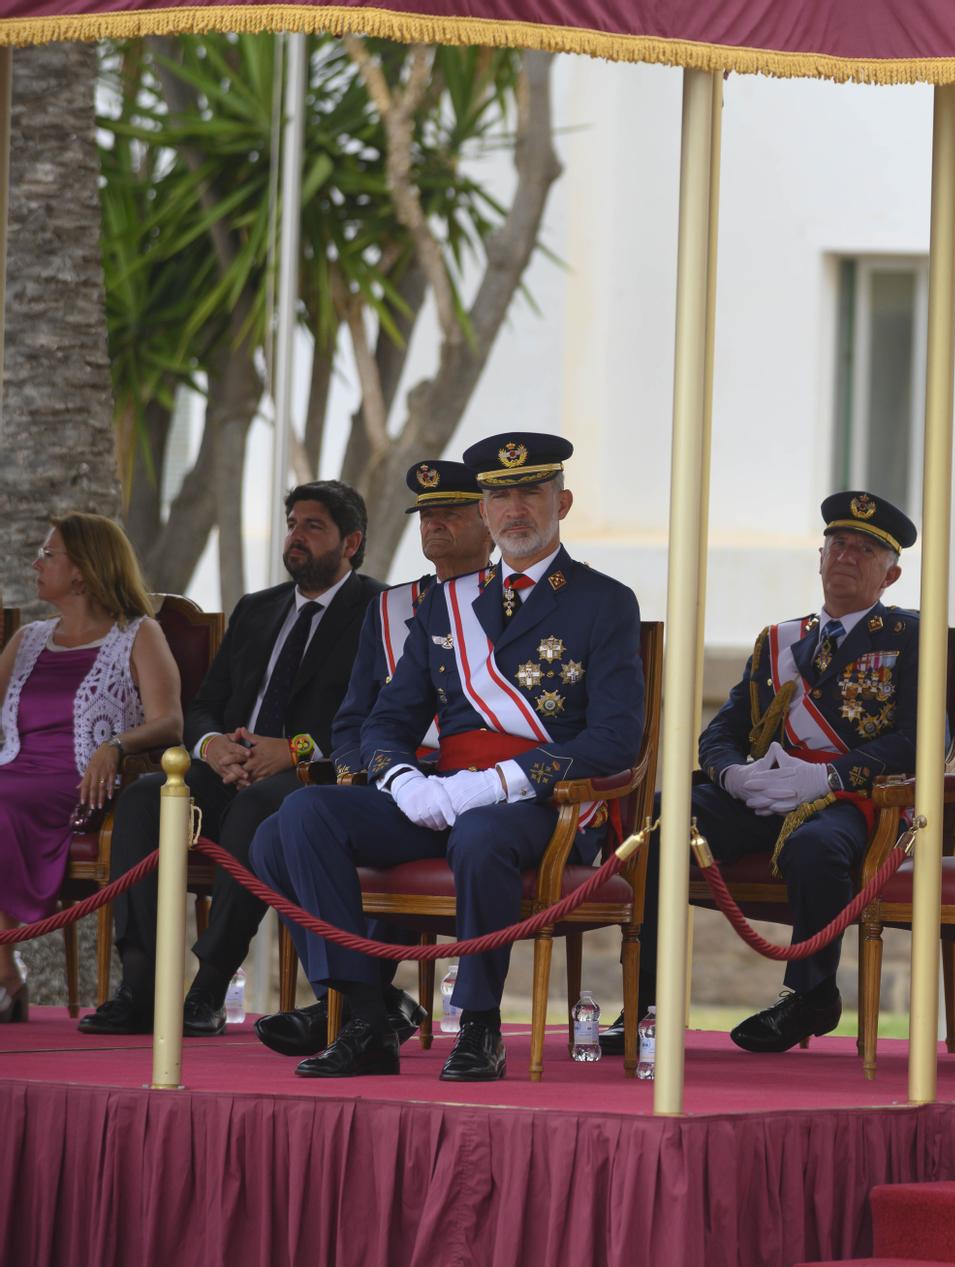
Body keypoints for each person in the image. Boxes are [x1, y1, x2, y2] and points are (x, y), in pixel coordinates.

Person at [256, 433, 643, 1080]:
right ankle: (365, 1014)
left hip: (544, 805)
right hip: (443, 792)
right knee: (303, 815)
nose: (514, 507)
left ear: (563, 501)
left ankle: (480, 1027)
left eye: (530, 491)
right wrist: (403, 778)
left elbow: (614, 740)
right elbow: (386, 721)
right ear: (485, 512)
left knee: (481, 834)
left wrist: (496, 783)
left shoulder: (603, 600)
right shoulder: (446, 603)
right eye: (499, 495)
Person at [80, 482, 383, 1036]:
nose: (295, 536)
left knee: (258, 810)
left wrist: (292, 750)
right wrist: (212, 746)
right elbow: (205, 706)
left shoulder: (377, 610)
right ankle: (141, 985)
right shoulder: (257, 608)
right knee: (148, 797)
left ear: (351, 541)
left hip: (312, 776)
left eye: (313, 526)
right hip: (226, 766)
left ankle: (210, 985)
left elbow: (377, 717)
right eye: (293, 523)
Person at [646, 491, 924, 1055]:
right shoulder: (779, 640)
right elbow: (721, 732)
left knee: (814, 849)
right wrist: (731, 778)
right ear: (819, 557)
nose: (846, 556)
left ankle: (810, 995)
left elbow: (919, 741)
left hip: (853, 801)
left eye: (865, 550)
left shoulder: (909, 637)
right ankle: (650, 1001)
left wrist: (828, 779)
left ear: (890, 573)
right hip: (766, 792)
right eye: (838, 544)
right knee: (663, 818)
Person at [247, 459, 495, 1057]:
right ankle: (368, 1006)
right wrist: (371, 769)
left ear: (489, 524)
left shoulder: (514, 600)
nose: (434, 524)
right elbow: (354, 718)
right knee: (273, 837)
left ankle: (356, 1008)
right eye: (427, 515)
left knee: (301, 822)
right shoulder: (389, 607)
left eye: (451, 513)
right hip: (397, 781)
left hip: (479, 790)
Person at [0, 515, 183, 1020]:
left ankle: (4, 976)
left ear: (81, 572)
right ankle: (6, 972)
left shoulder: (137, 635)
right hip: (14, 770)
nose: (35, 563)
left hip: (82, 782)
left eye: (47, 554)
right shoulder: (29, 639)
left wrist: (117, 743)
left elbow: (170, 722)